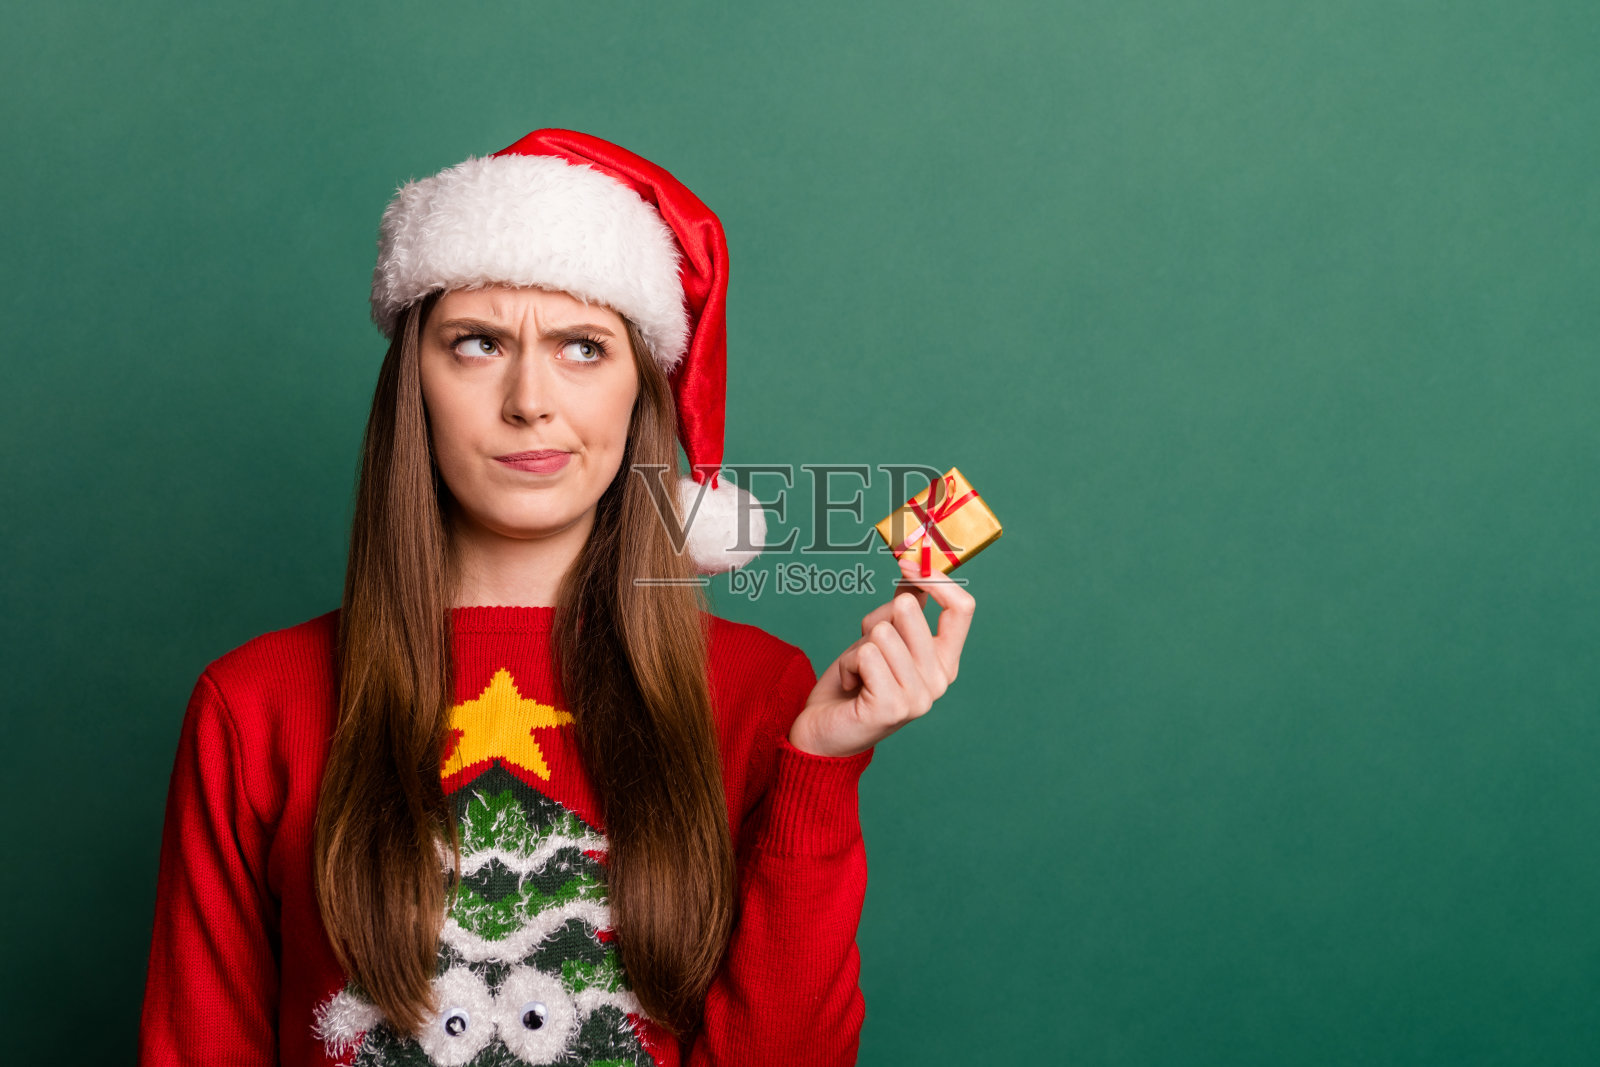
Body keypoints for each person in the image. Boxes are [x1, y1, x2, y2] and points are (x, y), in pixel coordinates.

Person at [137, 128, 977, 1067]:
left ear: (640, 392)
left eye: (584, 346)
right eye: (478, 343)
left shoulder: (759, 692)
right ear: (415, 383)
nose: (530, 399)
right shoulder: (255, 703)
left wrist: (819, 769)